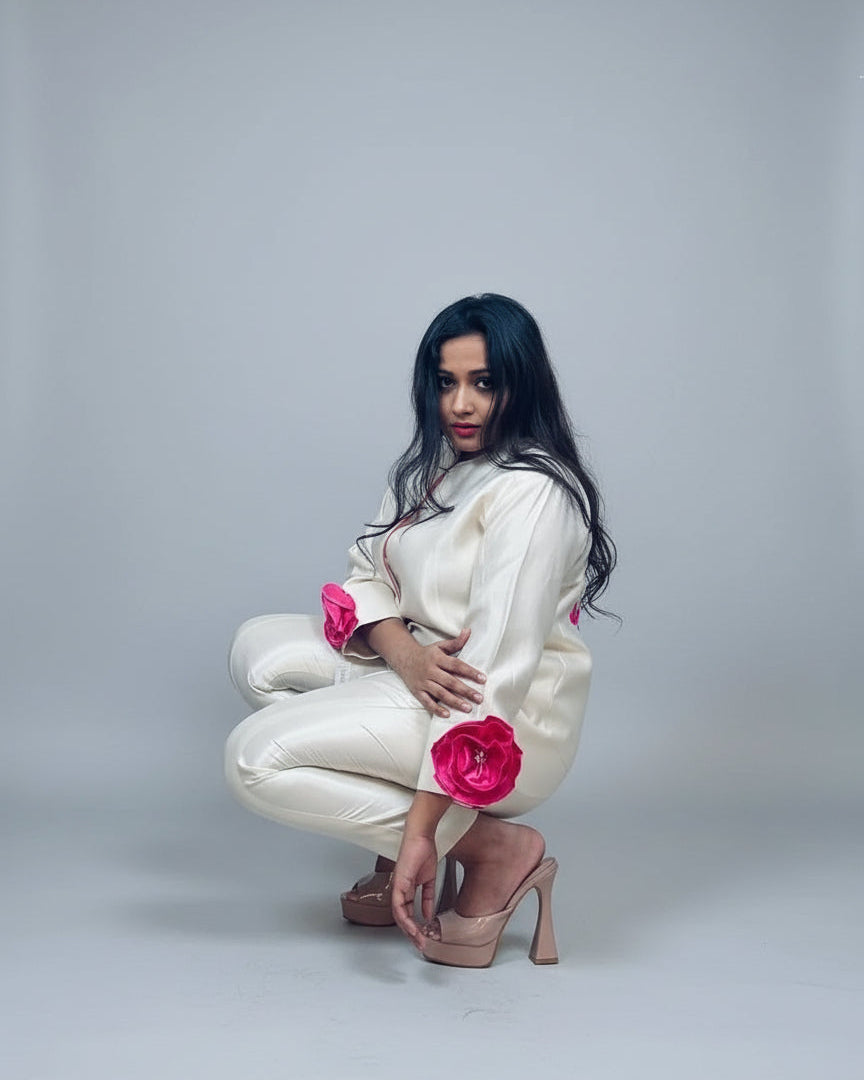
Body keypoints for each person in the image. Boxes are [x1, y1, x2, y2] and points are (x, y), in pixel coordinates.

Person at [225, 293, 616, 968]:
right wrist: (406, 656)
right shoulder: (432, 469)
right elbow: (362, 574)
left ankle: (492, 851)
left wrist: (422, 834)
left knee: (253, 759)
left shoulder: (532, 493)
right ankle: (439, 839)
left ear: (521, 386)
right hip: (426, 674)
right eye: (446, 382)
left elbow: (494, 673)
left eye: (483, 383)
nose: (460, 405)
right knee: (259, 654)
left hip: (503, 722)